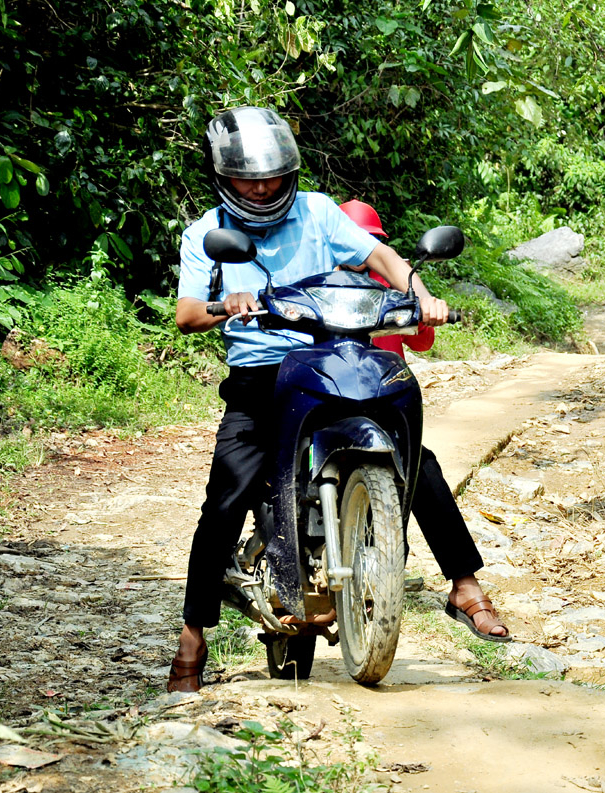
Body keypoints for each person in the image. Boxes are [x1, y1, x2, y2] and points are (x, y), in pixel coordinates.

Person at [168, 107, 507, 694]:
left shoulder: (318, 211)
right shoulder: (206, 234)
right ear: (223, 177)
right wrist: (232, 304)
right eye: (250, 179)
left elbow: (378, 258)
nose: (264, 187)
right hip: (262, 374)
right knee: (227, 494)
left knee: (416, 458)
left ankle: (464, 583)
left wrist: (419, 295)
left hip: (332, 354)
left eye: (274, 175)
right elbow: (188, 313)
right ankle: (191, 638)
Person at [337, 198, 510, 639]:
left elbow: (425, 341)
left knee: (423, 465)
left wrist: (418, 299)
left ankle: (465, 585)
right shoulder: (315, 284)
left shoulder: (394, 281)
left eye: (370, 246)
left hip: (383, 396)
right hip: (329, 393)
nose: (359, 258)